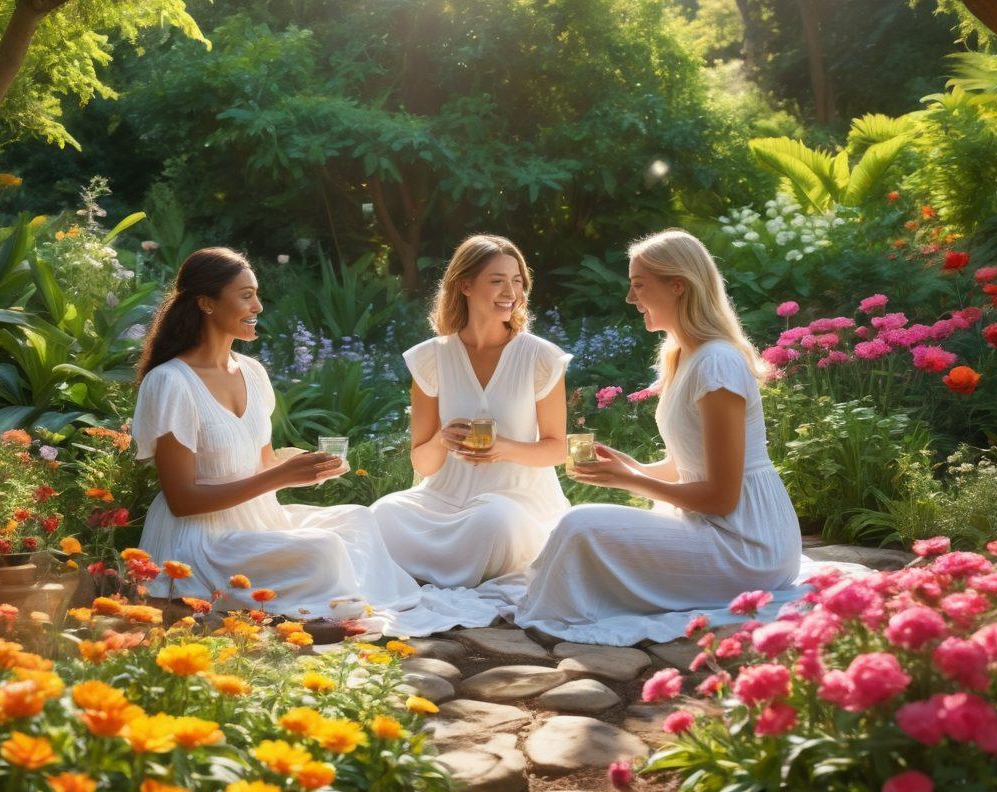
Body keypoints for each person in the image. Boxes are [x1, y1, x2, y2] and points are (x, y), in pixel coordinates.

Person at [131, 247, 496, 634]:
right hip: (202, 541)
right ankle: (331, 612)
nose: (258, 306)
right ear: (206, 303)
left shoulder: (252, 372)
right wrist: (280, 476)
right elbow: (182, 501)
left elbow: (261, 464)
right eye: (246, 296)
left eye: (257, 295)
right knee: (323, 548)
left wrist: (304, 467)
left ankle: (346, 605)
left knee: (357, 519)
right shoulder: (171, 382)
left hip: (258, 521)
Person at [507, 229, 803, 645]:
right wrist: (630, 466)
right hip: (717, 528)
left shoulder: (717, 364)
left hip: (749, 544)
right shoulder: (683, 356)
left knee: (581, 525)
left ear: (678, 285)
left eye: (639, 285)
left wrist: (628, 480)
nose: (631, 298)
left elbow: (721, 496)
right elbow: (687, 466)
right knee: (575, 525)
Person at [370, 234, 571, 587]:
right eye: (497, 281)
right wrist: (442, 440)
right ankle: (460, 565)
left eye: (517, 281)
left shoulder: (541, 357)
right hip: (443, 498)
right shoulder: (431, 357)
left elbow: (556, 449)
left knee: (492, 522)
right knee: (383, 514)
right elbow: (423, 464)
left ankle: (441, 566)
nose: (511, 292)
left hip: (514, 502)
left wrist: (503, 448)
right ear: (465, 285)